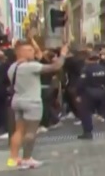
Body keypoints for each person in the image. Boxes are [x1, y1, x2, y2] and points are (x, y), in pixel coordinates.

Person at [7, 40, 68, 168]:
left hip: (17, 100)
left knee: (18, 131)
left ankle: (13, 158)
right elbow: (55, 67)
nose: (32, 52)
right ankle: (27, 158)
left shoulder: (12, 67)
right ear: (20, 52)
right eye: (29, 50)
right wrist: (62, 54)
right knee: (31, 131)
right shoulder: (30, 66)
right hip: (32, 102)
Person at [76, 51, 105, 139]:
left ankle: (88, 133)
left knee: (85, 113)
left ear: (88, 60)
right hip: (102, 92)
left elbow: (81, 83)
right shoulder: (103, 68)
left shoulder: (86, 69)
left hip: (89, 93)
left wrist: (78, 94)